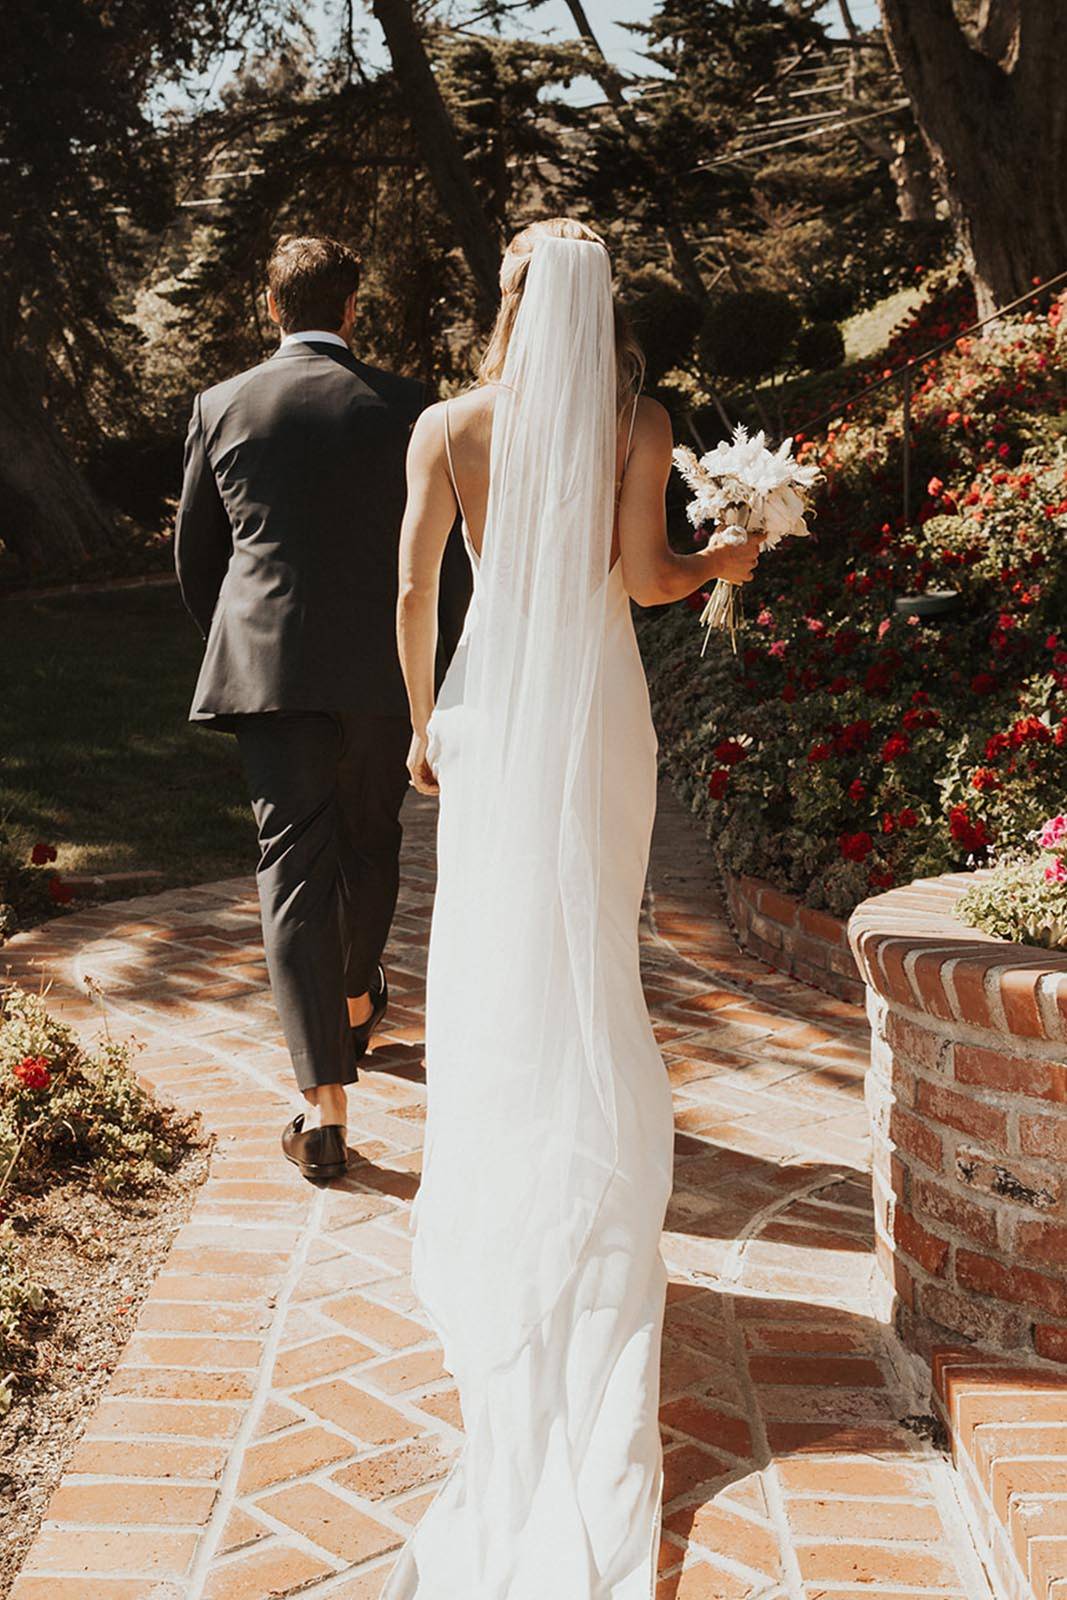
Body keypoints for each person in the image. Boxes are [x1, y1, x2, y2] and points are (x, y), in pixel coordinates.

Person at [390, 218, 761, 1598]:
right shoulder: (637, 420)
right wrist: (729, 557)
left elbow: (414, 588)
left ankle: (503, 1166)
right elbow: (649, 581)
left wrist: (426, 726)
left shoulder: (444, 428)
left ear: (505, 303)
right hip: (600, 710)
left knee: (495, 953)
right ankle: (589, 1171)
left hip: (491, 710)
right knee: (589, 947)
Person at [174, 234, 428, 1185]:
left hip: (269, 670)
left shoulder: (223, 403)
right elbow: (432, 553)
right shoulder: (409, 407)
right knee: (370, 838)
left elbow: (199, 559)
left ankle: (322, 1107)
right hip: (382, 669)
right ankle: (357, 996)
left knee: (291, 866)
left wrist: (247, 644)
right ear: (352, 309)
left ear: (267, 306)